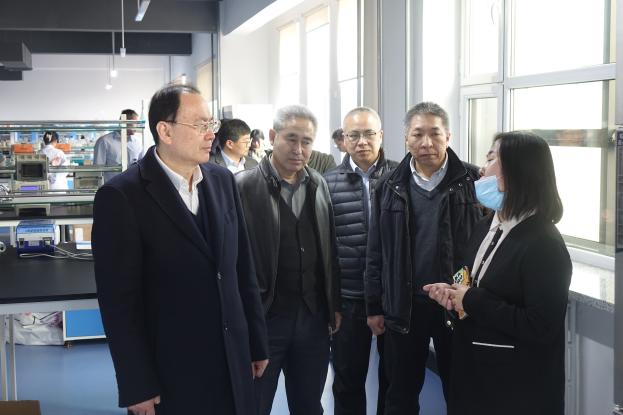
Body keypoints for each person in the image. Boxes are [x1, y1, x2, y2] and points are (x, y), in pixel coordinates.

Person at [92, 84, 269, 415]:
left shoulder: (222, 181)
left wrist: (257, 343)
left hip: (232, 359)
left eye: (211, 124)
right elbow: (119, 303)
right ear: (165, 131)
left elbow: (242, 267)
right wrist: (136, 384)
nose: (211, 134)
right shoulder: (122, 196)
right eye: (200, 125)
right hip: (170, 371)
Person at [424, 131, 571, 415]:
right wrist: (455, 297)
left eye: (491, 159)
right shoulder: (486, 226)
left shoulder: (543, 243)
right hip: (473, 374)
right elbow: (473, 282)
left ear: (516, 172)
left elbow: (541, 326)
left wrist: (471, 299)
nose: (482, 169)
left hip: (514, 389)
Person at [364, 102, 483, 414]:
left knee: (463, 393)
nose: (426, 142)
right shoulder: (388, 185)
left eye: (435, 134)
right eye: (418, 134)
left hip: (457, 304)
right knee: (400, 394)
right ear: (406, 138)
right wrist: (374, 306)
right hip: (405, 307)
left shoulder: (473, 181)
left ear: (448, 137)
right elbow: (376, 251)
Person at [235, 105, 341, 415]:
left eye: (306, 141)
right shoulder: (243, 187)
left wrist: (333, 304)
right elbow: (233, 261)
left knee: (309, 405)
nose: (299, 149)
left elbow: (329, 248)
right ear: (272, 136)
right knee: (254, 404)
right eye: (291, 139)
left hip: (312, 319)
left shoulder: (319, 184)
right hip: (265, 319)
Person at [324, 107, 396, 415]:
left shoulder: (400, 178)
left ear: (381, 136)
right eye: (354, 135)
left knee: (394, 381)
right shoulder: (327, 183)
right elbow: (324, 250)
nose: (362, 141)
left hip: (393, 297)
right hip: (349, 299)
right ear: (343, 139)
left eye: (369, 134)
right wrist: (331, 303)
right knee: (347, 381)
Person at [94, 109, 143, 182]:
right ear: (124, 122)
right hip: (112, 187)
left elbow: (141, 167)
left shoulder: (137, 143)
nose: (137, 126)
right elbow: (98, 171)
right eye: (135, 123)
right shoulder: (104, 141)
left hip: (132, 186)